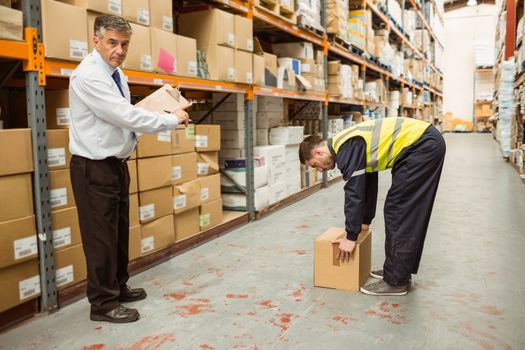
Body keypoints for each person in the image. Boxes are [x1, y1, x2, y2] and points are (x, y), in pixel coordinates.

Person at [68, 14, 190, 323]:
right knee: (100, 237)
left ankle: (118, 285)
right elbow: (125, 116)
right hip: (93, 168)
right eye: (112, 43)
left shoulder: (116, 73)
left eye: (124, 44)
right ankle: (103, 304)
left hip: (116, 165)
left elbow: (128, 114)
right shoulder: (89, 76)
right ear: (96, 41)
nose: (119, 50)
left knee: (118, 231)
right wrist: (170, 120)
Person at [299, 117, 446, 296]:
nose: (320, 171)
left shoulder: (346, 148)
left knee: (399, 210)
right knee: (400, 209)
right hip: (422, 144)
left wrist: (351, 237)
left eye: (316, 166)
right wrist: (364, 221)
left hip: (421, 146)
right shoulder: (347, 145)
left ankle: (396, 281)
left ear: (318, 153)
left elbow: (354, 192)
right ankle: (398, 271)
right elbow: (368, 181)